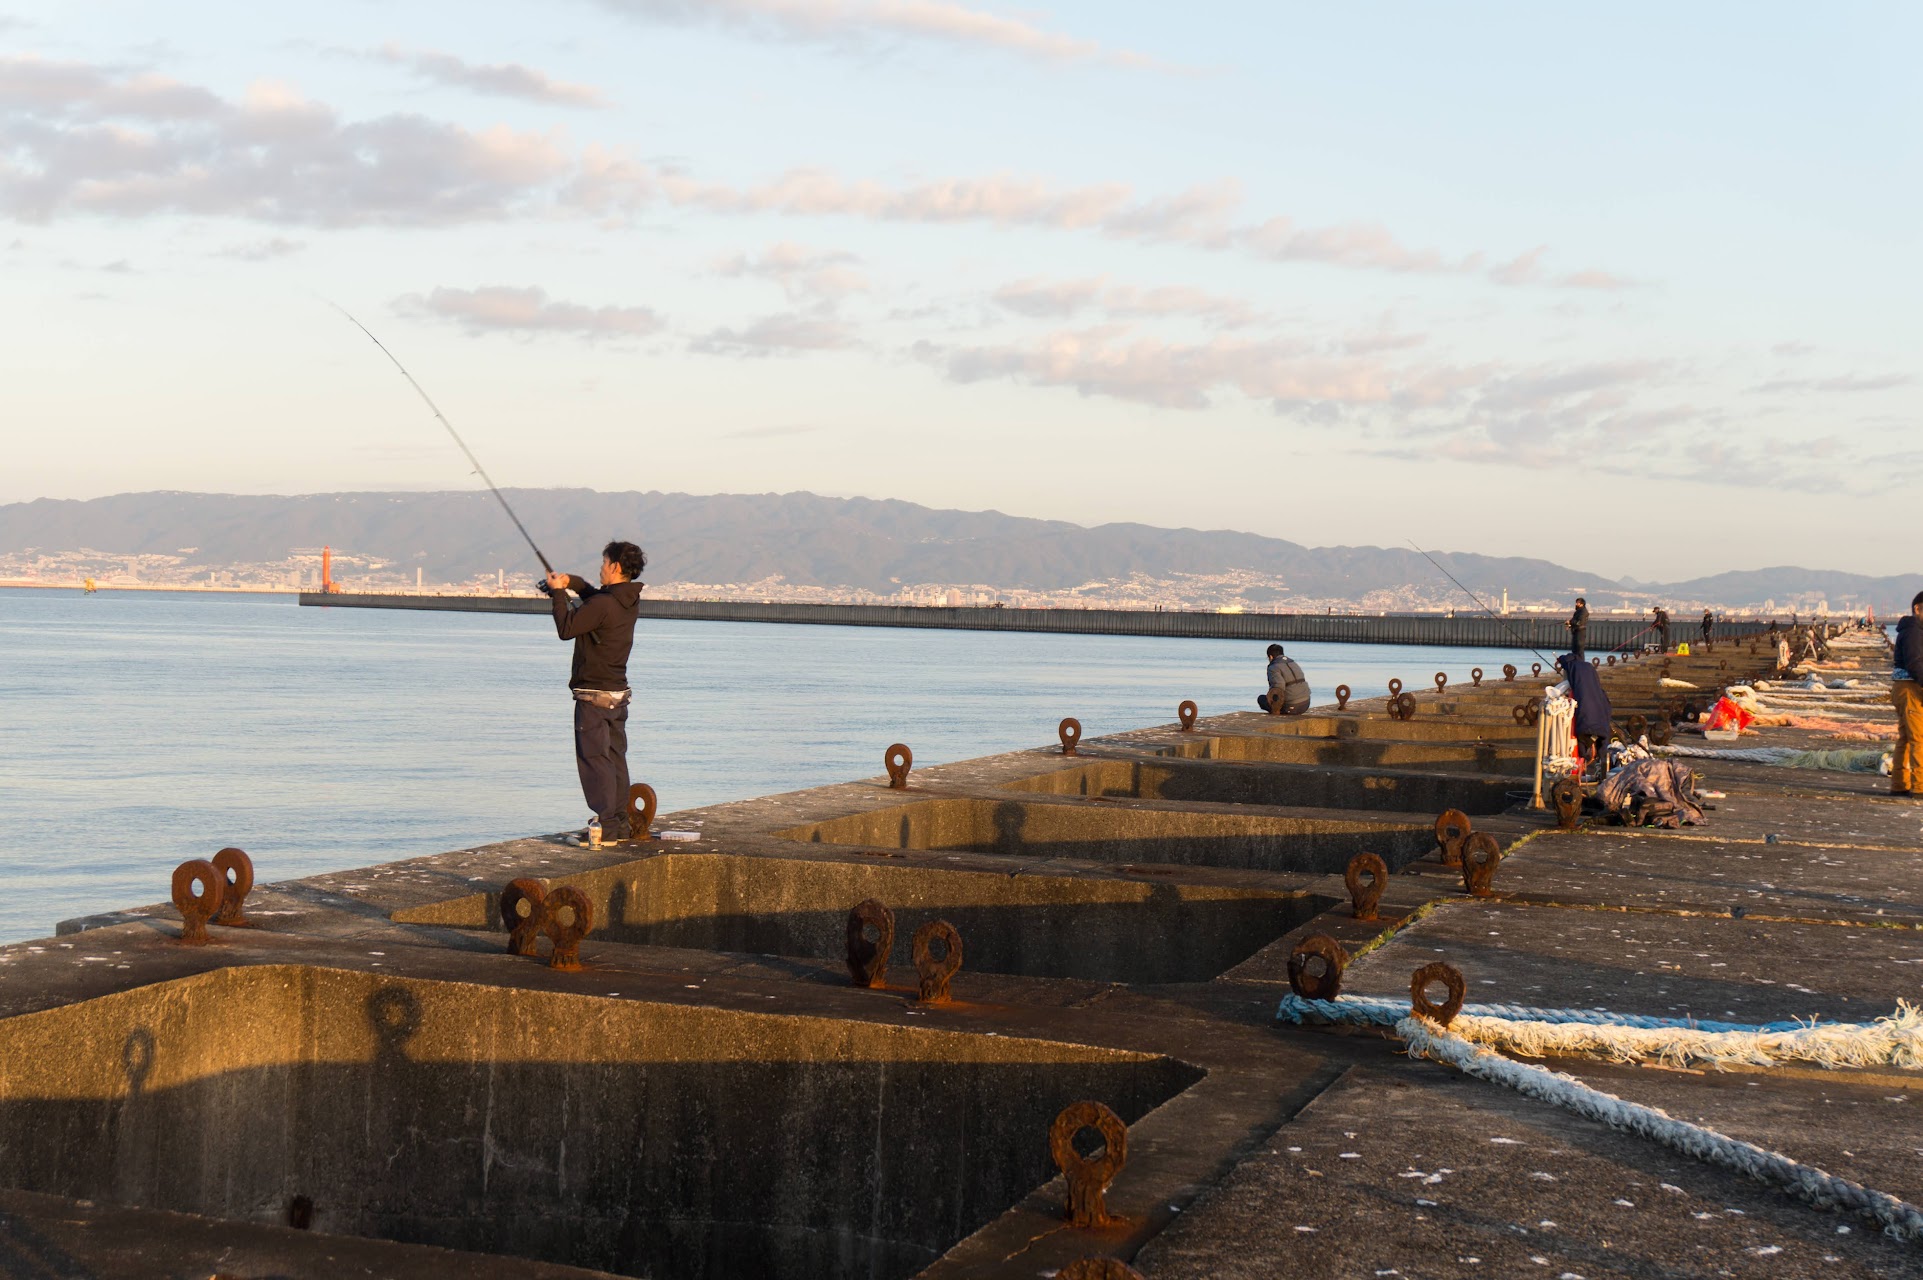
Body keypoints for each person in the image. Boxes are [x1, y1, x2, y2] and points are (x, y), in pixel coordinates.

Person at [545, 541, 648, 842]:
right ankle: (619, 824)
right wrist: (570, 583)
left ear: (615, 566)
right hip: (618, 694)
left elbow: (567, 628)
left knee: (595, 759)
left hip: (593, 695)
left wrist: (557, 594)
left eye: (604, 562)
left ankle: (606, 828)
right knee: (615, 758)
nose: (601, 567)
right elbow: (595, 599)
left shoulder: (604, 604)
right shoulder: (626, 601)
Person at [1556, 650, 1613, 777]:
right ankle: (1586, 770)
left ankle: (1577, 772)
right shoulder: (1589, 669)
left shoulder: (1574, 667)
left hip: (1587, 726)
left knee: (1581, 748)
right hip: (1596, 725)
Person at [1893, 590, 1923, 798]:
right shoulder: (1914, 631)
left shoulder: (1912, 630)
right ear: (1918, 609)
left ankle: (1899, 784)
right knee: (1918, 738)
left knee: (1906, 737)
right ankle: (1920, 786)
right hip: (1909, 687)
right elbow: (1915, 663)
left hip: (1904, 687)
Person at [1257, 643, 1311, 715]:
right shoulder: (1293, 663)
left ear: (1270, 657)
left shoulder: (1273, 667)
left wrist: (1275, 709)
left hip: (1292, 707)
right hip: (1306, 704)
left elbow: (1278, 689)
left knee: (1261, 699)